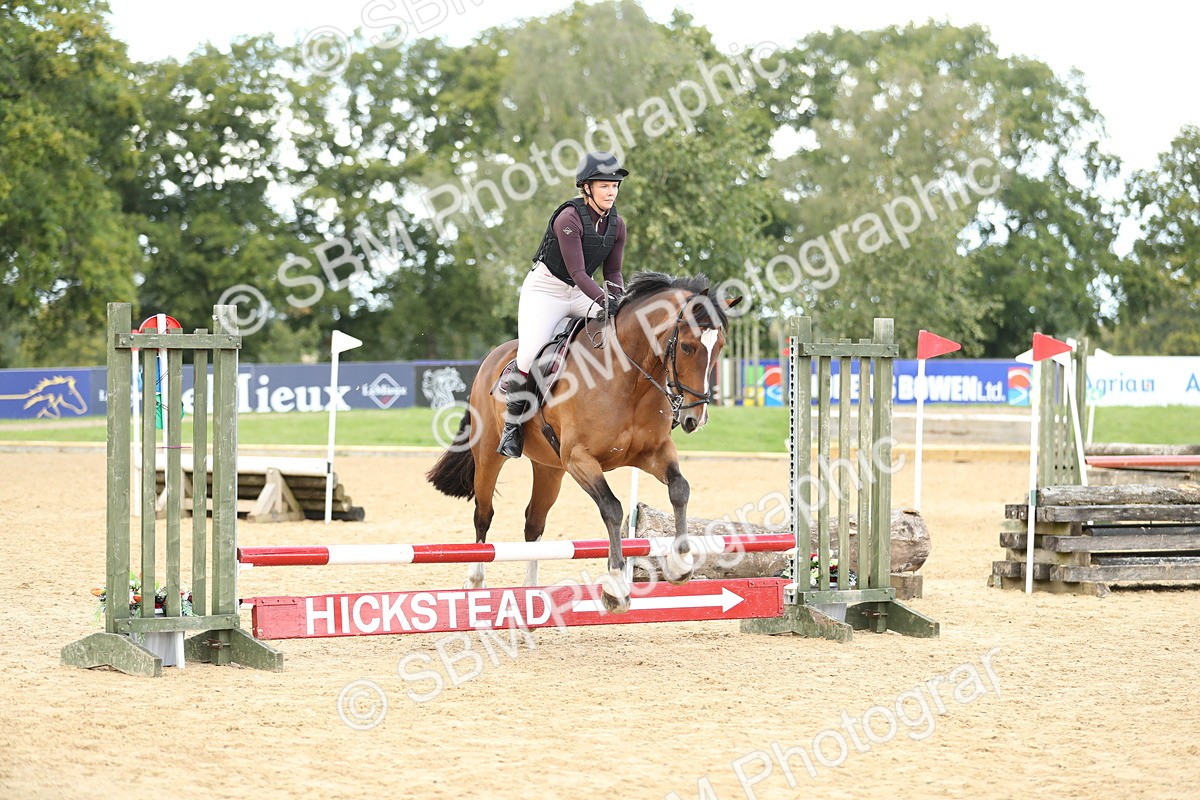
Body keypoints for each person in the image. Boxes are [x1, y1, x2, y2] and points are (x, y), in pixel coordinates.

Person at [496, 151, 629, 458]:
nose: (611, 191)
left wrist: (619, 300)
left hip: (583, 292)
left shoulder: (617, 225)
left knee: (622, 331)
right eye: (605, 185)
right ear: (587, 187)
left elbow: (612, 273)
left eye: (615, 186)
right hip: (546, 291)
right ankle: (513, 428)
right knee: (529, 354)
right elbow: (577, 272)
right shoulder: (569, 218)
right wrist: (603, 300)